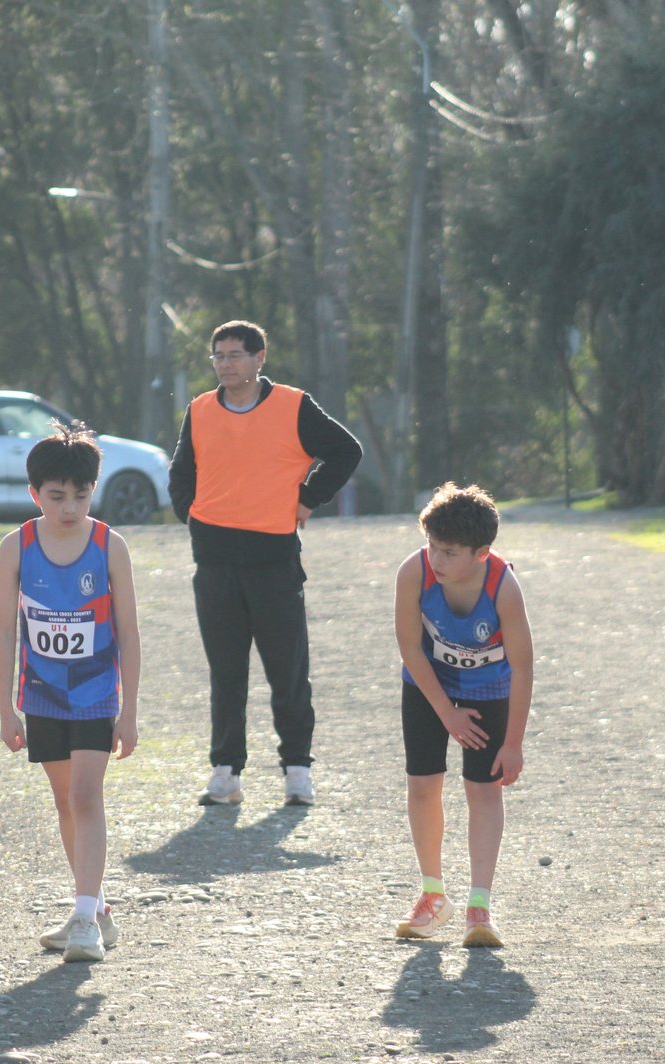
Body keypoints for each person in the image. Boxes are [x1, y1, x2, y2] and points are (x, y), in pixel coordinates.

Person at [169, 320, 362, 807]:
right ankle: (226, 771)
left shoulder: (293, 406)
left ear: (259, 357)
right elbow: (181, 470)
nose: (225, 364)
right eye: (218, 356)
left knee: (287, 669)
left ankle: (297, 770)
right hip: (214, 560)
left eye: (235, 355)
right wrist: (191, 515)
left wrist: (308, 498)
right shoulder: (200, 409)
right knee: (226, 673)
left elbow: (345, 450)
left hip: (273, 560)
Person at [0, 421, 141, 962]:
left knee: (85, 795)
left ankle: (82, 918)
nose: (69, 508)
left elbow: (128, 630)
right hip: (42, 694)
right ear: (35, 494)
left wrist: (129, 710)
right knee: (63, 801)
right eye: (56, 497)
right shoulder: (16, 547)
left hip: (98, 691)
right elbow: (6, 630)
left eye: (80, 496)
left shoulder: (109, 546)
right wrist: (6, 707)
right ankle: (95, 908)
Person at [393, 483, 533, 948]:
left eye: (450, 552)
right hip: (428, 684)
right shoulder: (414, 573)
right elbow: (411, 649)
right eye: (432, 546)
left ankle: (479, 907)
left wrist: (513, 744)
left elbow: (523, 667)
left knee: (483, 789)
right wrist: (446, 715)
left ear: (481, 552)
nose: (437, 559)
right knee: (423, 784)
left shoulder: (504, 589)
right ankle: (433, 895)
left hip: (490, 688)